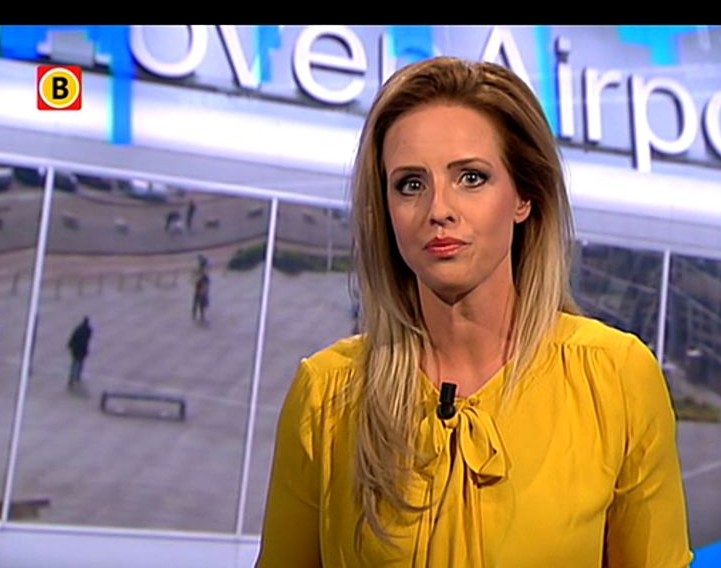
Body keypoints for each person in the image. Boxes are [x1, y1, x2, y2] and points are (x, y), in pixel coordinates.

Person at [257, 57, 692, 567]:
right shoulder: (327, 394)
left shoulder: (615, 379)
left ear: (524, 197)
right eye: (411, 184)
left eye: (471, 177)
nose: (439, 210)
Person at [67, 317, 92, 388]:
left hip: (76, 349)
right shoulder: (88, 330)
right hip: (82, 349)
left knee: (74, 363)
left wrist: (70, 345)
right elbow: (88, 339)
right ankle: (78, 375)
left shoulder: (78, 328)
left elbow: (73, 337)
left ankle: (71, 377)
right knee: (80, 362)